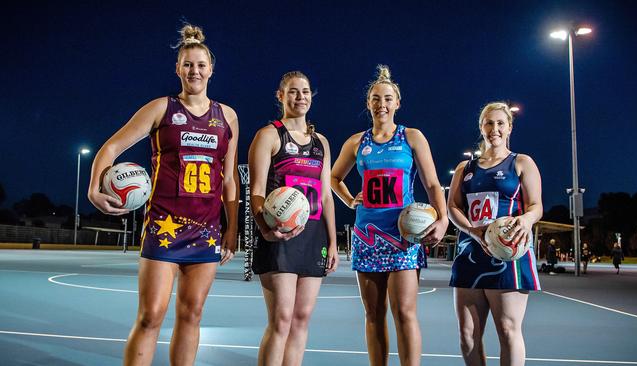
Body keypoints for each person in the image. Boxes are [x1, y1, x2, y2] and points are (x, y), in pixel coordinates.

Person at [87, 24, 239, 365]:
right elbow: (111, 147)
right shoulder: (162, 108)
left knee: (192, 315)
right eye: (188, 64)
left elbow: (229, 179)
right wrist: (94, 188)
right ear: (177, 69)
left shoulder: (227, 116)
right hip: (164, 226)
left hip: (207, 230)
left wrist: (232, 230)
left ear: (211, 70)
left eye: (201, 65)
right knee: (151, 315)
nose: (194, 71)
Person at [331, 65, 448, 366]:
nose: (381, 104)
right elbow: (333, 178)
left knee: (405, 313)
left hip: (403, 238)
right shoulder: (357, 142)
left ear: (397, 103)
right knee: (373, 314)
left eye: (387, 98)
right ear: (367, 103)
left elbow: (433, 184)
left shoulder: (412, 137)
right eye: (375, 98)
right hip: (366, 236)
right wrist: (348, 199)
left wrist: (442, 218)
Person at [249, 71, 339, 366]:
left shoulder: (321, 142)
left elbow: (326, 196)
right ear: (281, 96)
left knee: (301, 320)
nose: (300, 97)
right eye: (293, 92)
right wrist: (265, 230)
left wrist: (334, 243)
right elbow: (257, 191)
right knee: (282, 319)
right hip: (279, 237)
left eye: (305, 91)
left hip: (314, 237)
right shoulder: (269, 135)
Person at [447, 102, 542, 366]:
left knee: (508, 331)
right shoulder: (465, 168)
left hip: (508, 256)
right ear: (481, 127)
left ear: (509, 128)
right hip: (471, 254)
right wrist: (472, 231)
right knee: (468, 336)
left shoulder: (521, 162)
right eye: (489, 123)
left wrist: (525, 219)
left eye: (501, 123)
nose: (495, 129)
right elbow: (453, 207)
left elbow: (536, 206)